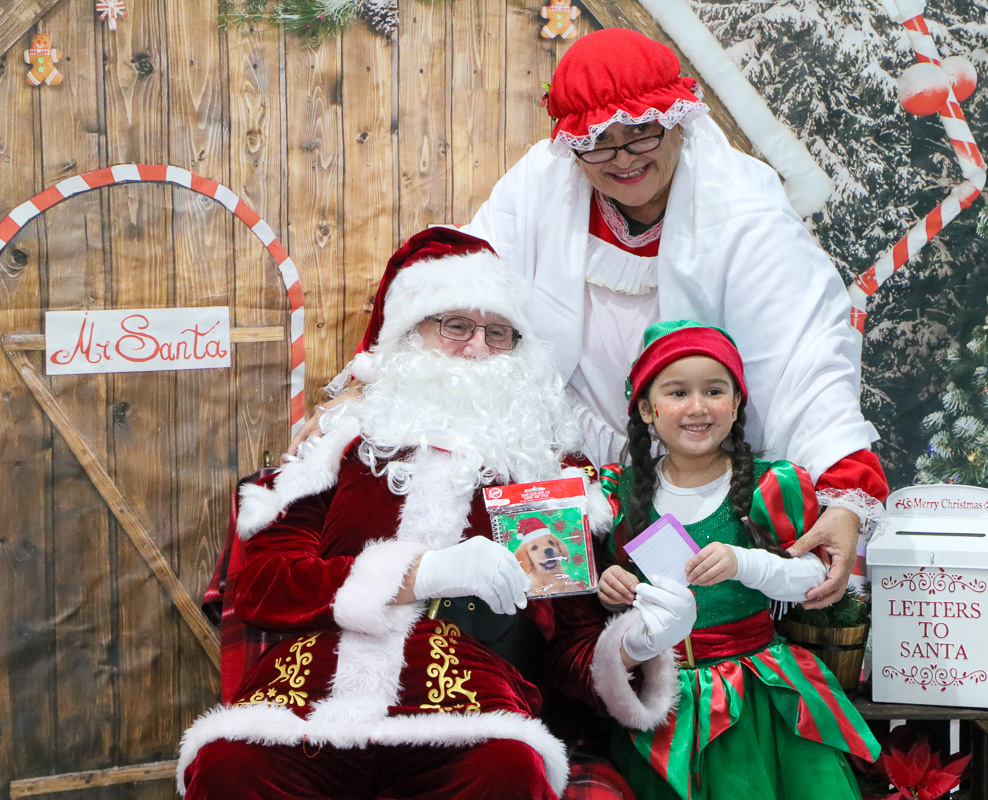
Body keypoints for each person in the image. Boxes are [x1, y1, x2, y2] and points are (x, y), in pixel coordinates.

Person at [298, 26, 886, 608]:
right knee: (579, 612)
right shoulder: (540, 184)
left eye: (642, 134)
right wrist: (369, 386)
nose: (623, 160)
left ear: (678, 119)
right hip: (576, 453)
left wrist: (846, 494)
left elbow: (804, 355)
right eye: (599, 143)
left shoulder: (745, 209)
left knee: (700, 606)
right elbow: (459, 286)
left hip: (700, 459)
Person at [177, 229, 694, 800]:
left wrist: (634, 646)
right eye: (456, 326)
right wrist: (422, 573)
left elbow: (569, 644)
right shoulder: (336, 446)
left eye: (498, 332)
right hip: (309, 698)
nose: (478, 349)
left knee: (508, 770)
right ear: (409, 335)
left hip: (470, 707)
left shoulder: (543, 469)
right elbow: (266, 585)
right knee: (230, 767)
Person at [596, 320, 881, 799]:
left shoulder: (771, 485)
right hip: (661, 696)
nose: (697, 407)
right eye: (678, 392)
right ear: (647, 408)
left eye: (714, 391)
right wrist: (613, 589)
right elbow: (611, 589)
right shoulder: (618, 493)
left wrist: (744, 563)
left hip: (750, 692)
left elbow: (812, 577)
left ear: (735, 404)